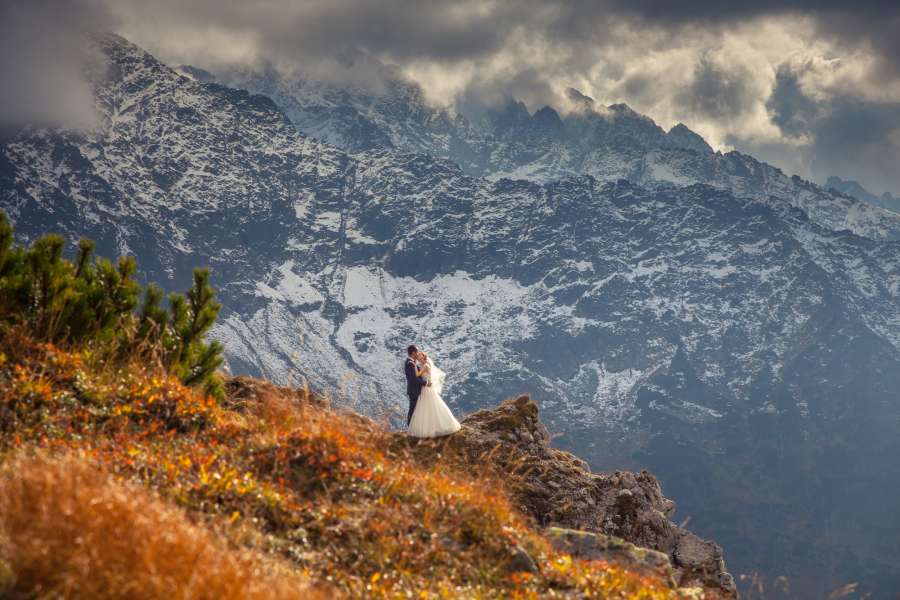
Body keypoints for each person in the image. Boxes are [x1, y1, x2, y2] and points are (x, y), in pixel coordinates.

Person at [405, 348, 461, 438]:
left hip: (427, 388)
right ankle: (422, 427)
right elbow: (415, 377)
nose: (418, 358)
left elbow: (418, 375)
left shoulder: (426, 365)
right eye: (418, 356)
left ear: (424, 357)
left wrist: (419, 370)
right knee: (421, 409)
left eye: (420, 356)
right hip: (423, 388)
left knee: (429, 407)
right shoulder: (416, 364)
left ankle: (435, 427)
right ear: (413, 353)